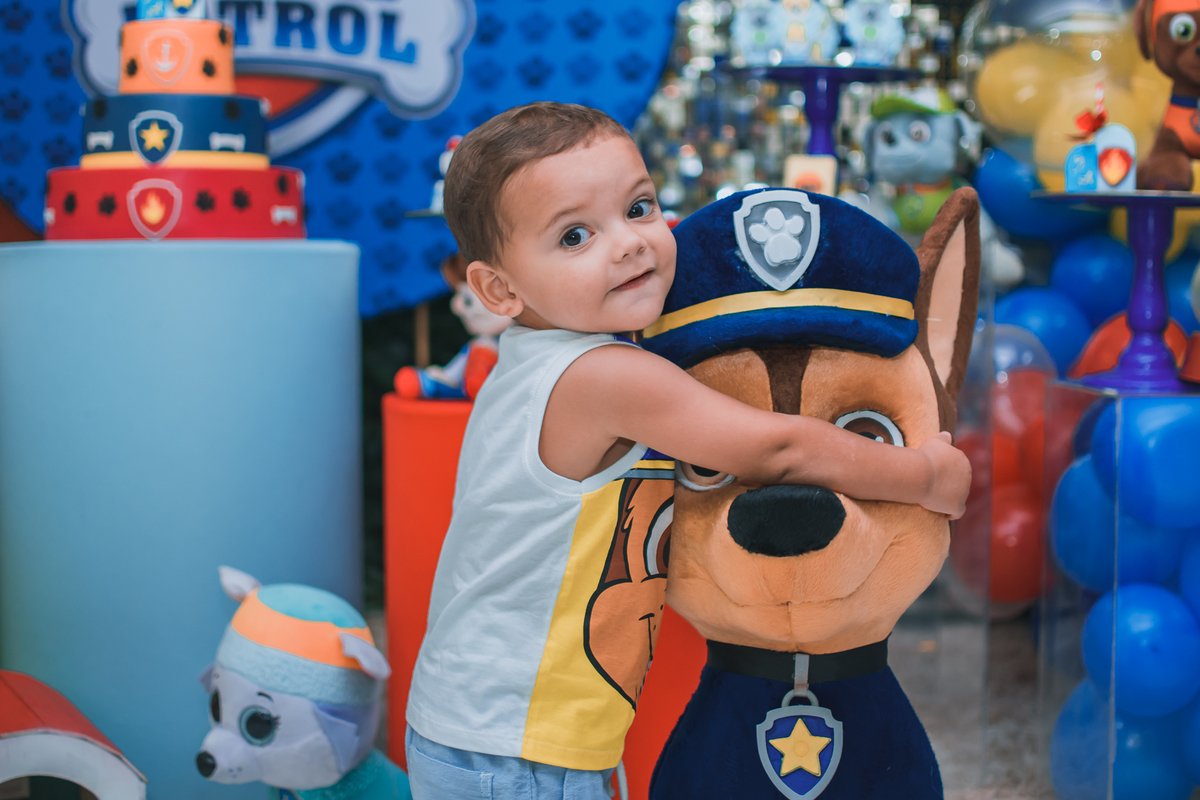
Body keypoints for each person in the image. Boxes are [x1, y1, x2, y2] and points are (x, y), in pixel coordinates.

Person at [404, 102, 971, 800]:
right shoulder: (605, 377)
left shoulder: (533, 364)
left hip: (490, 725)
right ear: (498, 288)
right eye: (576, 235)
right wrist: (921, 474)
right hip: (516, 745)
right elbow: (780, 448)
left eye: (639, 207)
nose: (629, 243)